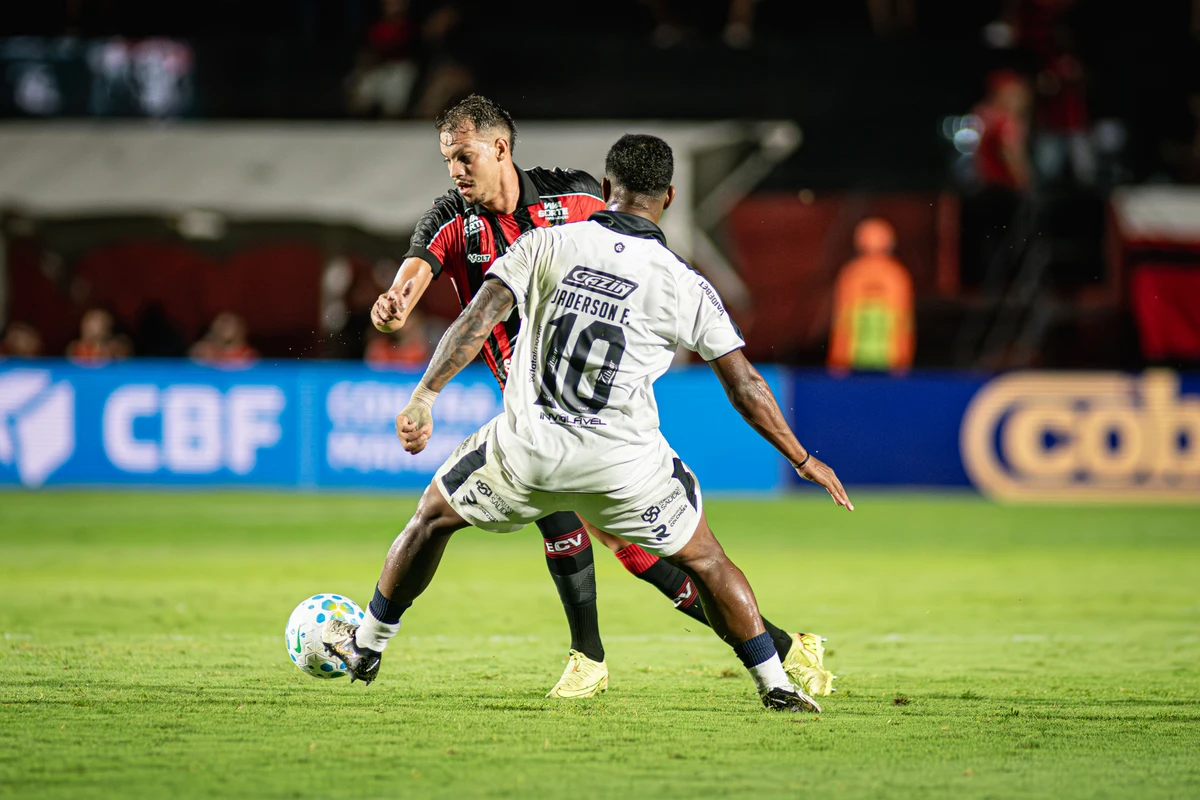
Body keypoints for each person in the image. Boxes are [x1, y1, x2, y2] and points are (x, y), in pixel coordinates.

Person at [325, 134, 853, 711]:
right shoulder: (686, 284)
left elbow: (477, 320)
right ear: (670, 196)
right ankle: (775, 682)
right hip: (623, 466)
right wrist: (803, 458)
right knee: (705, 559)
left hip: (528, 452)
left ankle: (370, 645)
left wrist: (425, 395)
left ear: (604, 191)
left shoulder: (545, 243)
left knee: (431, 519)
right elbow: (746, 387)